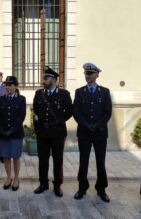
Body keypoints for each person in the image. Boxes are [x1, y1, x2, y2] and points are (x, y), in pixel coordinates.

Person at [72, 62, 112, 203]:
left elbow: (107, 112)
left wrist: (96, 125)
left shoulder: (105, 92)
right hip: (84, 132)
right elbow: (75, 112)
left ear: (97, 75)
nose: (87, 76)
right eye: (86, 73)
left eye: (90, 73)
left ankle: (101, 189)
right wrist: (86, 124)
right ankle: (82, 187)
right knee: (83, 161)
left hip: (100, 132)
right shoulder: (79, 92)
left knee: (100, 162)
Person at [33, 66, 72, 197]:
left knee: (57, 160)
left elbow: (69, 111)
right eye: (43, 77)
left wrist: (59, 121)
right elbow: (36, 111)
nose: (43, 80)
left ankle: (57, 185)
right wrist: (39, 127)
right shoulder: (39, 94)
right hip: (43, 132)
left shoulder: (64, 94)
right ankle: (43, 183)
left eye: (46, 77)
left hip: (57, 132)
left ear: (54, 80)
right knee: (42, 160)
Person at [0, 76, 26, 191]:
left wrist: (11, 129)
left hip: (16, 133)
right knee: (6, 156)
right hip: (3, 133)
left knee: (16, 157)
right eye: (6, 85)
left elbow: (21, 116)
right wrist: (2, 130)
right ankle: (8, 177)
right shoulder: (0, 99)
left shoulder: (21, 99)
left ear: (16, 86)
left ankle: (16, 178)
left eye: (10, 85)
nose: (7, 87)